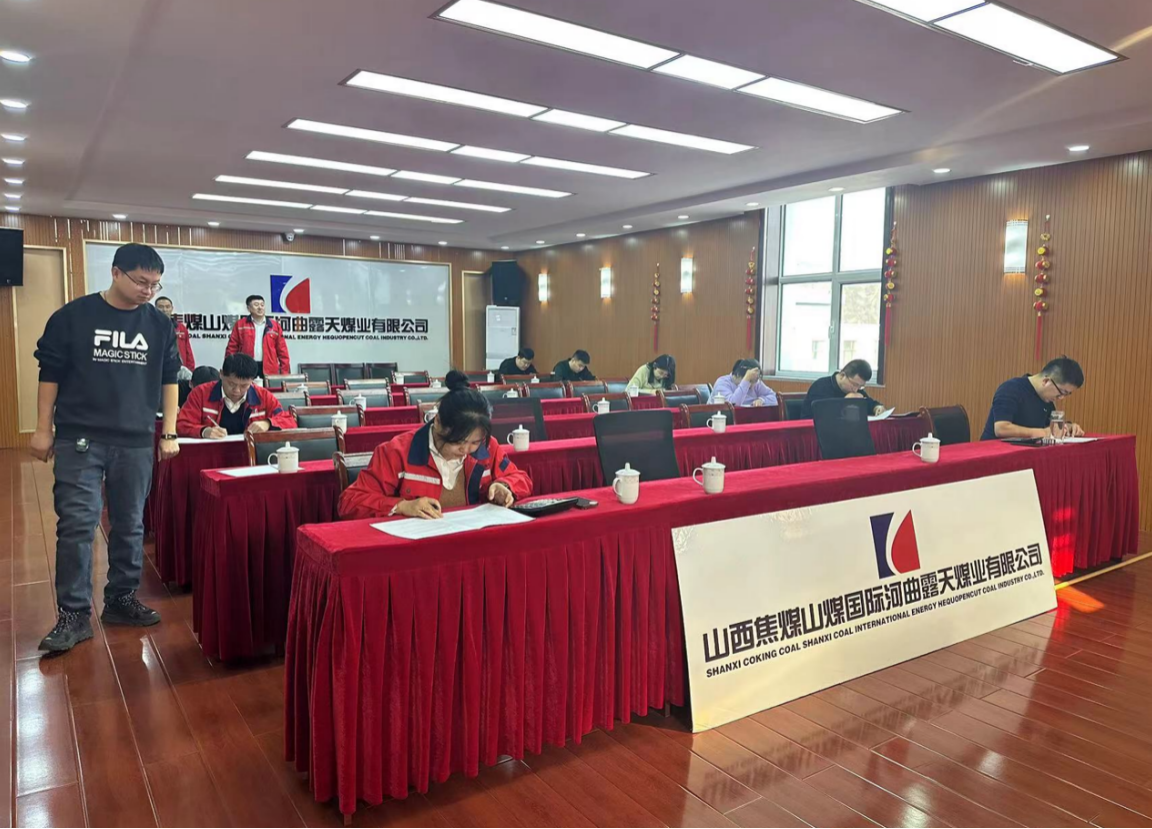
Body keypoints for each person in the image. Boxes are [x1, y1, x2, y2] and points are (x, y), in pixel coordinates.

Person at [31, 242, 182, 652]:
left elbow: (170, 378)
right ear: (116, 273)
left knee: (130, 524)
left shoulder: (159, 325)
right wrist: (43, 428)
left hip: (134, 440)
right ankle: (74, 614)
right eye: (141, 281)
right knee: (77, 525)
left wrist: (169, 432)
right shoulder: (73, 316)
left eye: (155, 284)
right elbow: (50, 374)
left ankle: (121, 599)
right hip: (79, 437)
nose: (148, 291)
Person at [339, 371, 532, 520]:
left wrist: (504, 486)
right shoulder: (397, 452)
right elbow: (349, 502)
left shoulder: (487, 447)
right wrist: (402, 506)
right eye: (457, 442)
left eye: (474, 442)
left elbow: (521, 478)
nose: (466, 451)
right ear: (437, 422)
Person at [177, 353, 297, 438]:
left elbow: (289, 421)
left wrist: (267, 423)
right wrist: (204, 431)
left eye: (244, 386)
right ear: (221, 374)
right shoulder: (201, 393)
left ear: (252, 381)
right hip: (211, 454)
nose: (237, 390)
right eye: (231, 384)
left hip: (249, 454)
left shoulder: (263, 396)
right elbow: (181, 424)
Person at [981, 356, 1085, 440]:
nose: (1061, 398)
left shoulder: (1047, 401)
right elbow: (1001, 429)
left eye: (1067, 394)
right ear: (1046, 381)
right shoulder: (1010, 389)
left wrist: (1068, 427)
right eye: (1061, 392)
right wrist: (1041, 432)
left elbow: (1051, 428)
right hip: (994, 453)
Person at [225, 294, 290, 378]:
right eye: (256, 305)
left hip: (269, 369)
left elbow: (282, 351)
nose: (260, 307)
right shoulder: (240, 325)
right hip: (246, 367)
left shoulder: (274, 326)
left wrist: (284, 373)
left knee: (267, 387)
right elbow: (231, 348)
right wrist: (229, 370)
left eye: (262, 305)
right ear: (249, 308)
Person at [802, 359, 885, 418]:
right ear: (842, 375)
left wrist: (877, 407)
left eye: (860, 386)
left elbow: (867, 402)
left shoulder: (856, 389)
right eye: (854, 384)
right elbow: (823, 415)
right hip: (813, 432)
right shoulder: (820, 387)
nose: (856, 390)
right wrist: (845, 402)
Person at [710, 359, 779, 408]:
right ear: (737, 375)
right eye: (750, 381)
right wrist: (746, 380)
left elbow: (775, 398)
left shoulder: (755, 382)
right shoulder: (722, 383)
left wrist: (762, 400)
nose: (752, 386)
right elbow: (733, 405)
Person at [155, 295, 196, 370]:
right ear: (155, 309)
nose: (164, 310)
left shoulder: (181, 327)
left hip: (179, 368)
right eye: (161, 307)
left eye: (167, 307)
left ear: (172, 309)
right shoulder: (149, 327)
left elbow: (188, 351)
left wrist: (190, 370)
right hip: (157, 369)